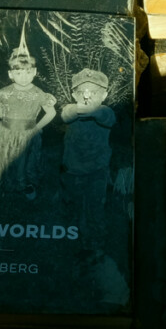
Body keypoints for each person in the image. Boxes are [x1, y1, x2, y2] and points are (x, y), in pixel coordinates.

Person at [0, 35, 57, 200]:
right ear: (11, 74)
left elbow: (51, 113)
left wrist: (37, 128)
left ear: (35, 72)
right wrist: (4, 118)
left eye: (28, 72)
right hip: (5, 134)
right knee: (0, 160)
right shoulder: (4, 91)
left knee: (25, 163)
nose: (23, 76)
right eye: (18, 72)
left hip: (27, 135)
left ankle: (26, 187)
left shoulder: (39, 94)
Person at [61, 67, 115, 252]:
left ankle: (97, 243)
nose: (87, 96)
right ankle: (71, 241)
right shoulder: (71, 109)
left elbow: (106, 117)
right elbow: (65, 114)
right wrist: (81, 107)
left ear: (105, 94)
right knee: (72, 205)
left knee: (95, 207)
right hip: (72, 170)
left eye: (94, 92)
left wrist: (93, 110)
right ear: (74, 94)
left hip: (97, 171)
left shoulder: (106, 111)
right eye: (81, 92)